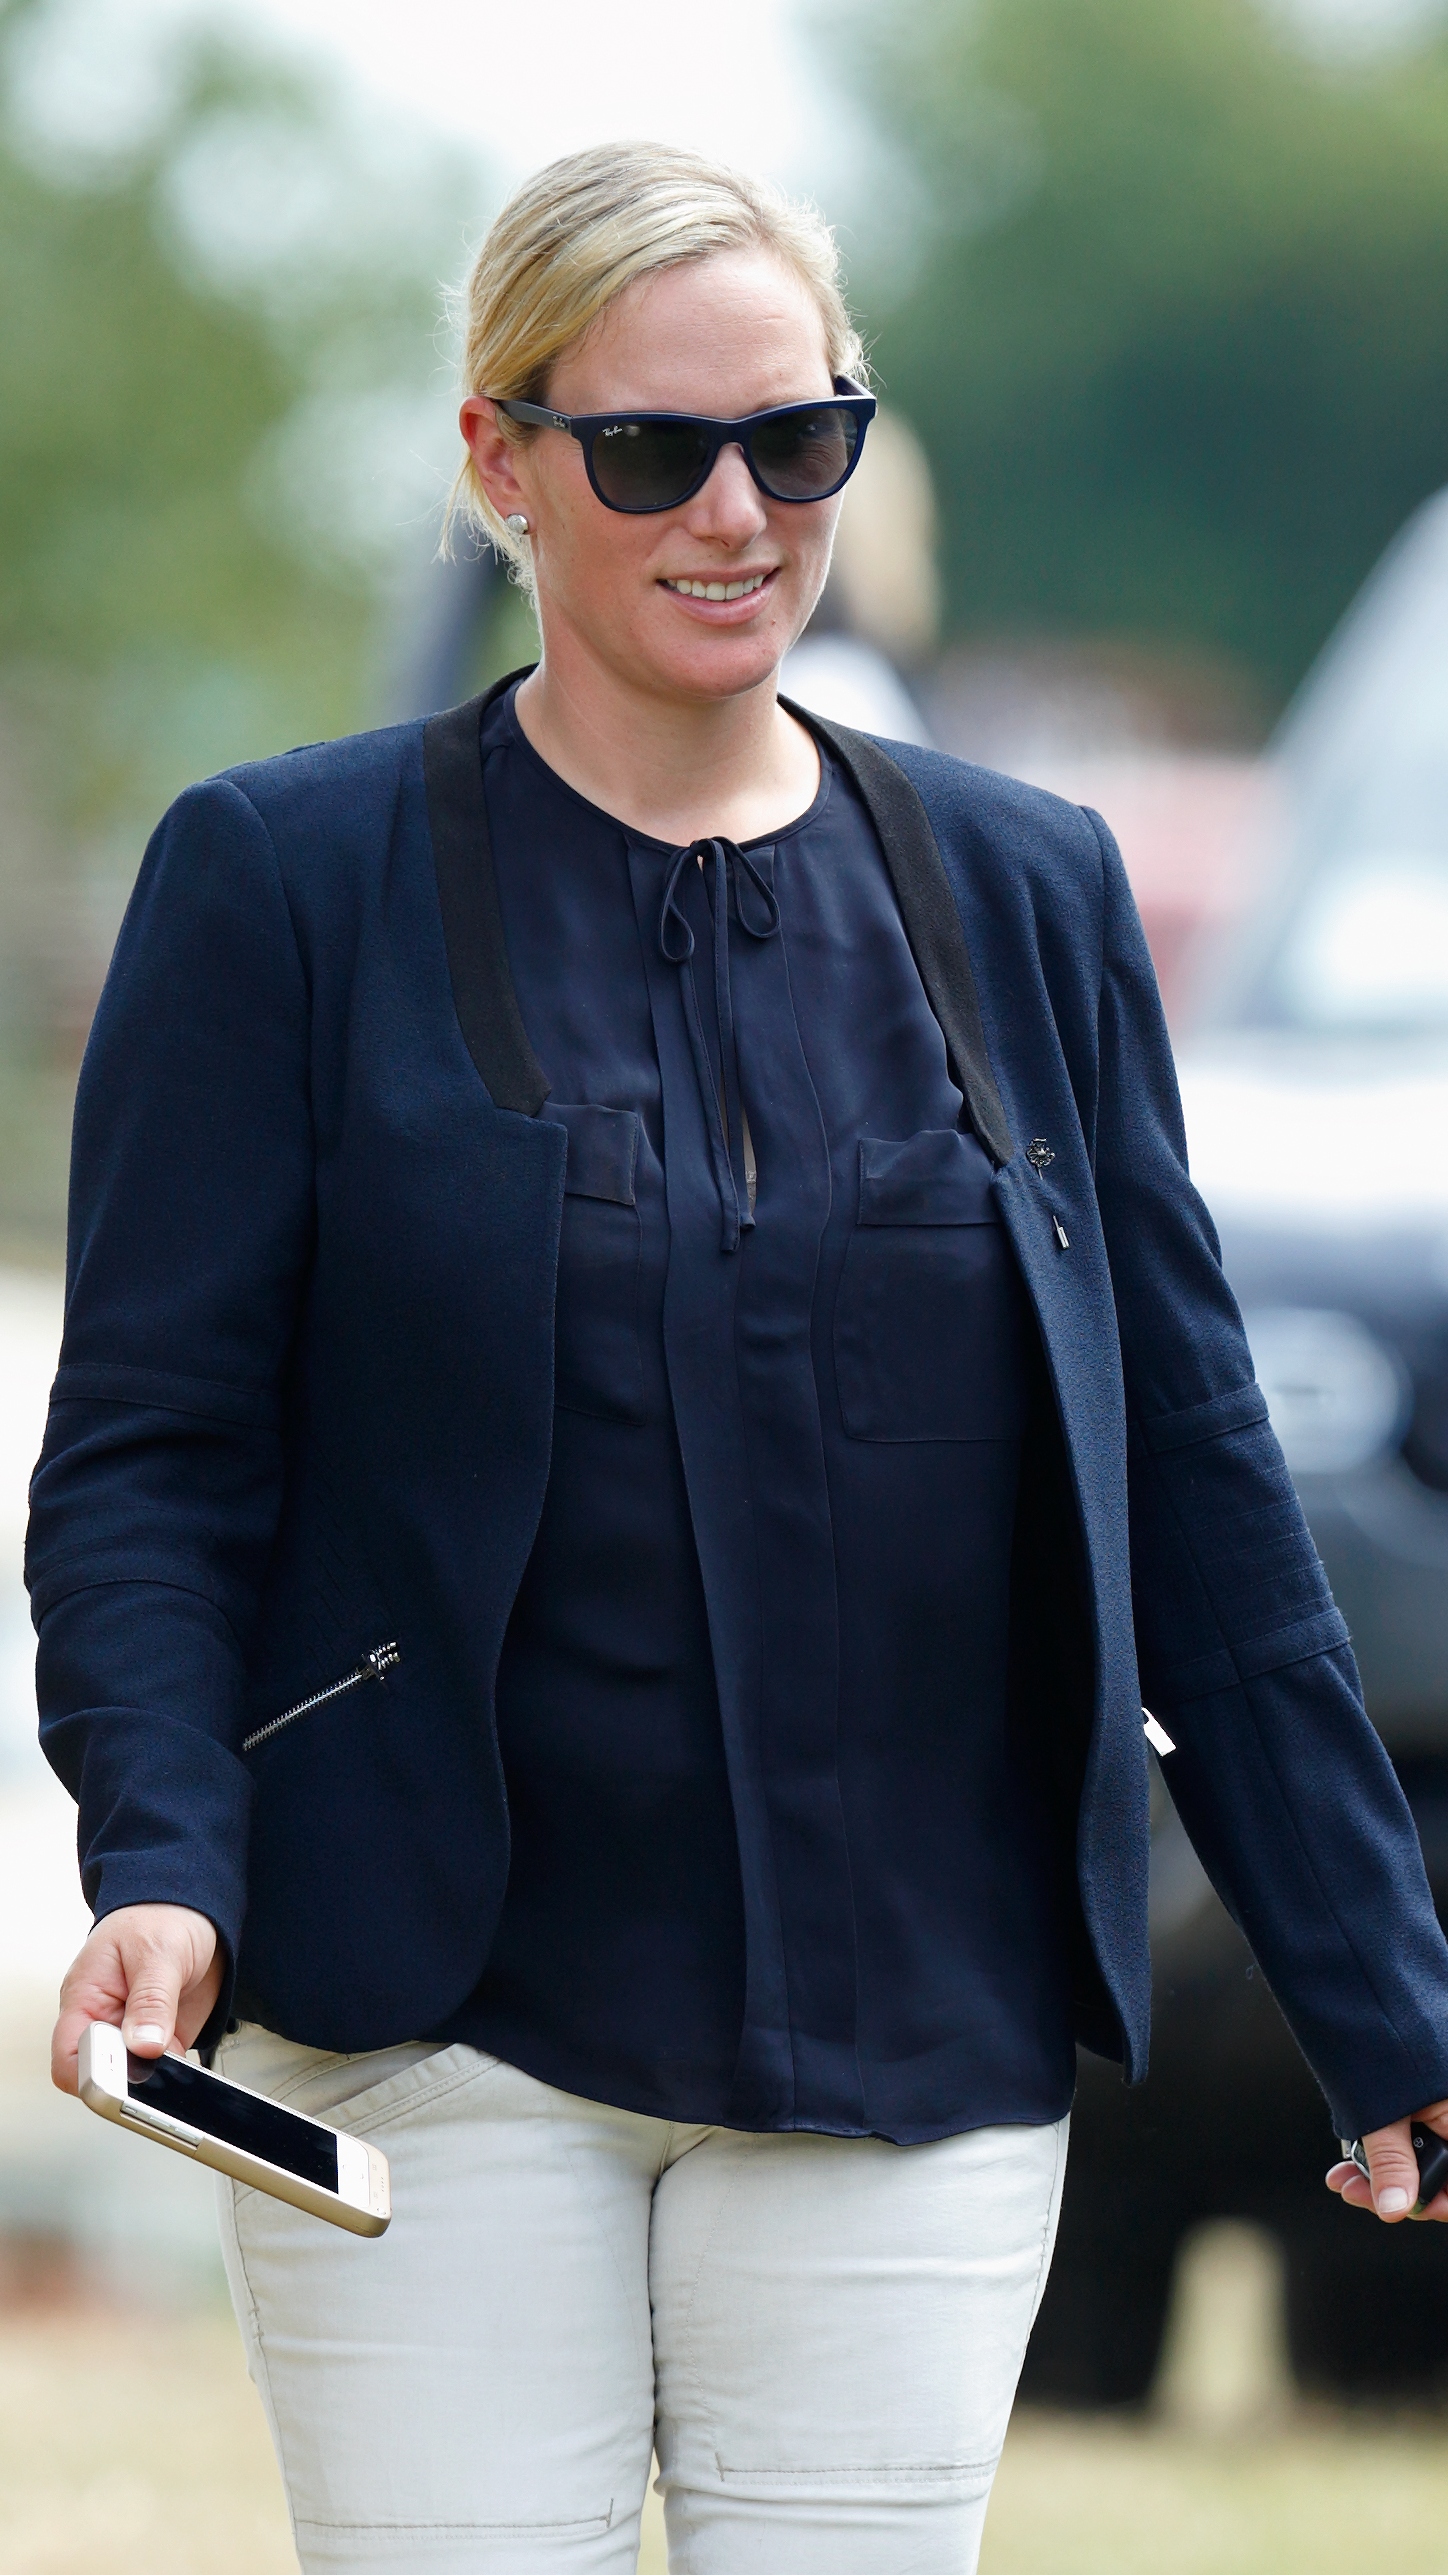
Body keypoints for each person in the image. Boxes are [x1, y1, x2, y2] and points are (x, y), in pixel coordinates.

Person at [30, 140, 1448, 2575]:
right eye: (650, 448)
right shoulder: (279, 882)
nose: (734, 511)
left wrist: (1374, 1985)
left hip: (918, 2024)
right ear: (500, 460)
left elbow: (1192, 1482)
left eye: (796, 443)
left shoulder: (1033, 892)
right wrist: (162, 1847)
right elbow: (155, 1457)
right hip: (429, 2005)